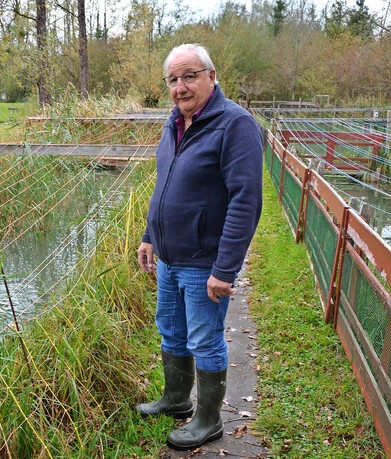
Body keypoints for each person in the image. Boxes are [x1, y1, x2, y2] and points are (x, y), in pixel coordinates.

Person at [135, 43, 263, 451]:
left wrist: (225, 269)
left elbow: (246, 201)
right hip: (170, 259)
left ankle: (208, 420)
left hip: (203, 262)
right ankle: (176, 400)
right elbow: (165, 187)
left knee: (204, 339)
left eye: (189, 76)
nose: (180, 86)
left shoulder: (234, 124)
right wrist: (149, 236)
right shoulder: (174, 122)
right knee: (171, 332)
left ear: (211, 75)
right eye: (173, 79)